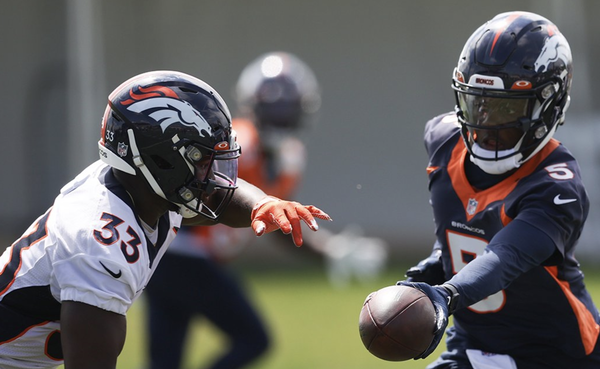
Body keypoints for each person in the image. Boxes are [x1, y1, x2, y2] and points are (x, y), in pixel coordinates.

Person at [0, 70, 330, 369]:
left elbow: (218, 197)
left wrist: (262, 203)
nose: (212, 175)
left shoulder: (145, 188)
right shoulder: (100, 244)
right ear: (162, 159)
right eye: (202, 160)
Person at [145, 52, 387, 369]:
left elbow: (275, 221)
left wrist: (332, 251)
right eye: (275, 108)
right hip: (183, 252)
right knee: (253, 339)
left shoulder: (289, 157)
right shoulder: (236, 141)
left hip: (172, 259)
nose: (280, 117)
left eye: (286, 109)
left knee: (165, 361)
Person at [393, 11, 600, 369]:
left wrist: (445, 294)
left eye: (507, 107)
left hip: (557, 356)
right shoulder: (445, 142)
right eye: (479, 104)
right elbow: (461, 235)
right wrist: (431, 269)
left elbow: (503, 257)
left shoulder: (556, 185)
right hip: (474, 348)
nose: (487, 123)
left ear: (550, 104)